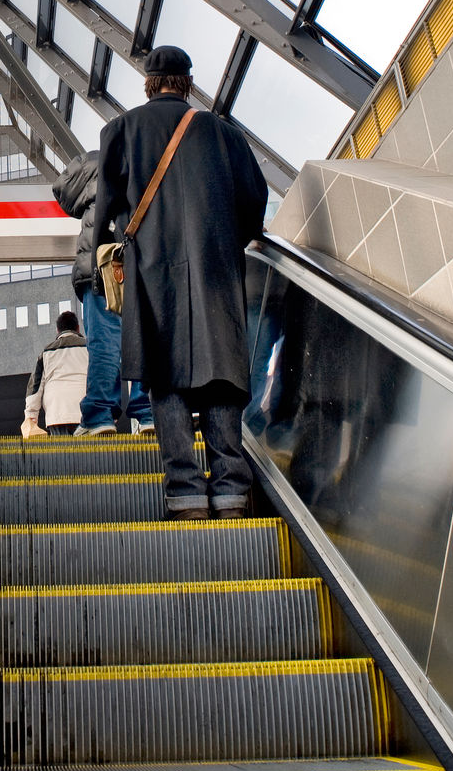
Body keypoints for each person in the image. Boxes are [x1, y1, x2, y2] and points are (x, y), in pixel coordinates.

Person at [92, 44, 268, 518]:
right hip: (215, 271)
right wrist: (233, 238)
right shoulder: (223, 133)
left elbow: (105, 205)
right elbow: (255, 200)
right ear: (187, 82)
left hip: (153, 270)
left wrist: (101, 254)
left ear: (148, 82)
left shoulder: (122, 130)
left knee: (165, 376)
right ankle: (231, 487)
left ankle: (186, 490)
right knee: (221, 374)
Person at [52, 152, 152, 435]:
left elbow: (62, 191)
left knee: (104, 341)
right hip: (142, 260)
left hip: (100, 263)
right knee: (144, 338)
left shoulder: (90, 162)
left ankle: (100, 416)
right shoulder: (145, 159)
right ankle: (147, 413)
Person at [21, 309, 90, 437]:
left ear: (58, 330)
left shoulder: (46, 353)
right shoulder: (90, 348)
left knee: (63, 455)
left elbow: (35, 386)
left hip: (57, 414)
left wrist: (31, 415)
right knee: (89, 454)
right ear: (78, 328)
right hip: (86, 411)